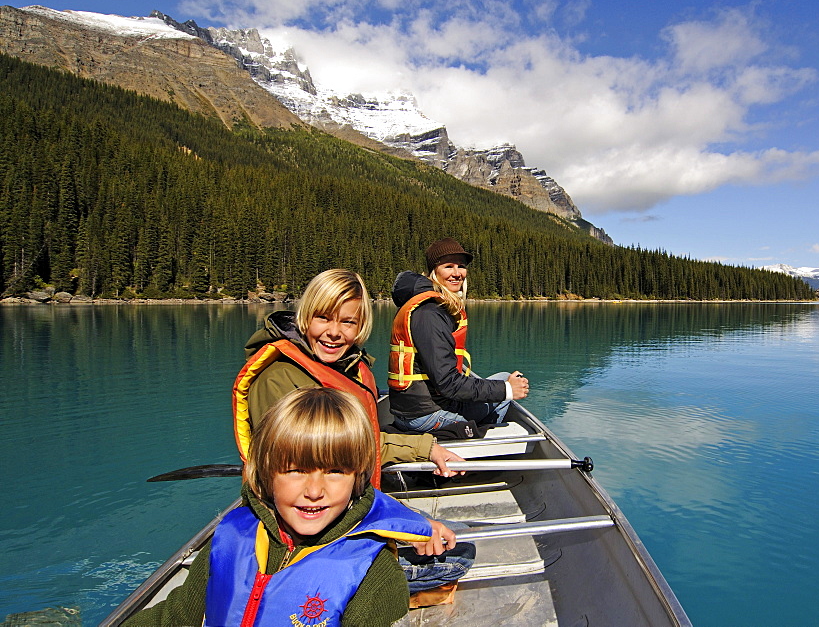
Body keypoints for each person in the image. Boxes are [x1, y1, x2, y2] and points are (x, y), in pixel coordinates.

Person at [232, 268, 473, 594]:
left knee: (454, 534)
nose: (334, 332)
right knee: (457, 554)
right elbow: (303, 486)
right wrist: (398, 523)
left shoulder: (349, 369)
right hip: (309, 532)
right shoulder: (278, 380)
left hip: (347, 509)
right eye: (323, 318)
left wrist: (424, 448)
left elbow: (360, 444)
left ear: (360, 327)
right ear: (305, 318)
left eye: (347, 322)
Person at [124, 387, 432, 627]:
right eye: (295, 470)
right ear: (268, 473)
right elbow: (176, 617)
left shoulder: (374, 575)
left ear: (358, 478)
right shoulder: (231, 537)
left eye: (336, 471)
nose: (314, 491)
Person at [388, 237, 530, 433]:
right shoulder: (429, 312)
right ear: (433, 272)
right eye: (448, 266)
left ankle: (476, 432)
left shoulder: (431, 307)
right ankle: (479, 441)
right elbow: (447, 383)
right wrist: (506, 390)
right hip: (425, 416)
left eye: (461, 266)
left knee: (504, 378)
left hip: (418, 408)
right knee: (506, 388)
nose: (457, 273)